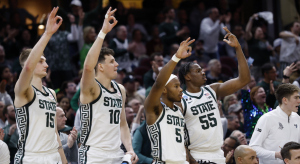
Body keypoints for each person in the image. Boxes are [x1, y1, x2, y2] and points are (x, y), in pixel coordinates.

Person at [178, 27, 250, 164]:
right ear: (187, 76)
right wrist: (191, 160)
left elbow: (244, 79)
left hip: (218, 152)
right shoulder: (180, 100)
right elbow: (178, 135)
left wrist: (238, 49)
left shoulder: (212, 90)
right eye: (198, 71)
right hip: (197, 155)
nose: (203, 72)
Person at [78, 7, 138, 163]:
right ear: (101, 66)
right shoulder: (91, 88)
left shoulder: (121, 89)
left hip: (117, 154)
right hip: (93, 154)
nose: (117, 64)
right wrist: (103, 32)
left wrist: (130, 149)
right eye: (112, 62)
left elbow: (123, 125)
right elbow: (87, 67)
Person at [13, 7, 67, 164]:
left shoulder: (51, 93)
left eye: (45, 60)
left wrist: (64, 161)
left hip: (53, 156)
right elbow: (29, 66)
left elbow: (54, 132)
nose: (46, 64)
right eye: (41, 60)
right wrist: (47, 34)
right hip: (32, 157)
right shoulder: (24, 91)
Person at [144, 37, 195, 163]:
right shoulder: (155, 109)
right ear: (164, 90)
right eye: (176, 86)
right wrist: (176, 58)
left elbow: (182, 145)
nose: (181, 90)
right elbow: (158, 84)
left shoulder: (178, 111)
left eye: (180, 86)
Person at [249, 83, 300, 164]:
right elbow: (253, 148)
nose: (299, 101)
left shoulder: (297, 117)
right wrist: (276, 155)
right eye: (296, 98)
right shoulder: (267, 118)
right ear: (285, 100)